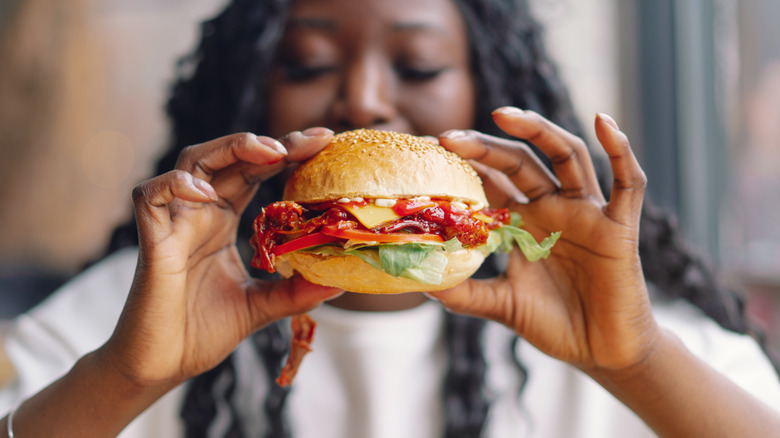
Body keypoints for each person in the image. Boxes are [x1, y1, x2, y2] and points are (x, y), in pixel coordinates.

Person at [2, 0, 780, 436]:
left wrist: (634, 361)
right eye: (306, 64)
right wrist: (125, 378)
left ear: (487, 95)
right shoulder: (141, 307)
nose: (365, 100)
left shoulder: (617, 315)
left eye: (418, 66)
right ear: (251, 98)